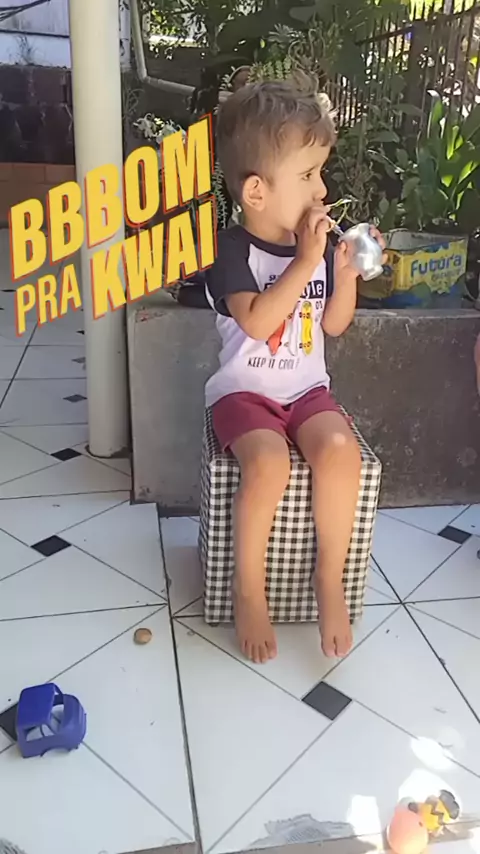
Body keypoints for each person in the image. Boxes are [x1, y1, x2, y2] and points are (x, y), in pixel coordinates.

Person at [204, 80, 386, 665]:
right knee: (269, 463)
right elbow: (258, 322)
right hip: (245, 393)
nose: (322, 190)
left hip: (306, 390)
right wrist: (307, 261)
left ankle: (328, 578)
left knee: (341, 452)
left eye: (320, 172)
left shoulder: (318, 250)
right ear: (256, 191)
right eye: (308, 174)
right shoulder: (231, 250)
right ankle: (249, 589)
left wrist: (345, 274)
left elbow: (332, 324)